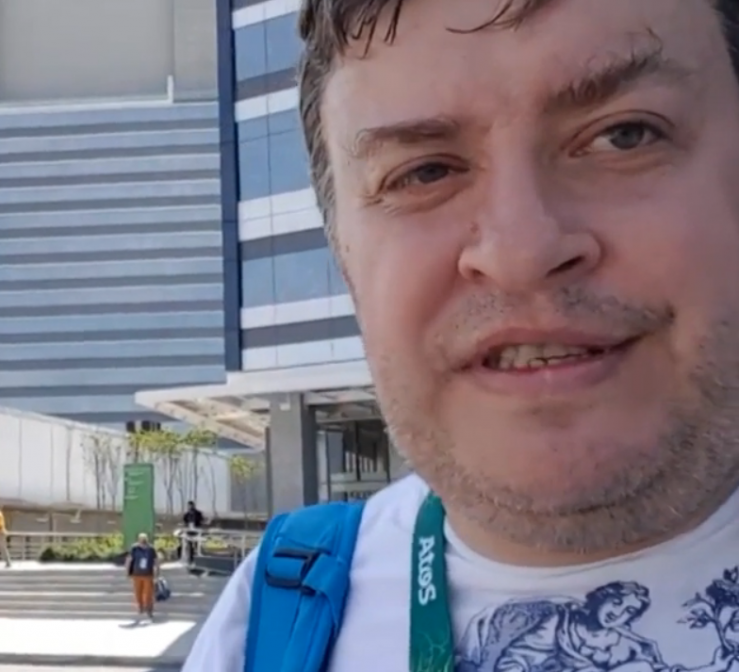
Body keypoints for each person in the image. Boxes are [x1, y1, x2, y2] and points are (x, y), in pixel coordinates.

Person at [185, 0, 739, 670]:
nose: (521, 252)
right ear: (346, 261)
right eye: (425, 172)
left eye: (624, 135)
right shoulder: (265, 619)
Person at [126, 533, 159, 621]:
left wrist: (157, 571)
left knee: (148, 593)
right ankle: (140, 606)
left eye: (144, 539)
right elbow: (129, 559)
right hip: (137, 574)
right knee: (138, 592)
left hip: (148, 574)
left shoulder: (151, 549)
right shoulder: (134, 548)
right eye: (141, 539)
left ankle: (149, 609)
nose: (142, 540)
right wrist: (128, 571)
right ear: (139, 540)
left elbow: (156, 560)